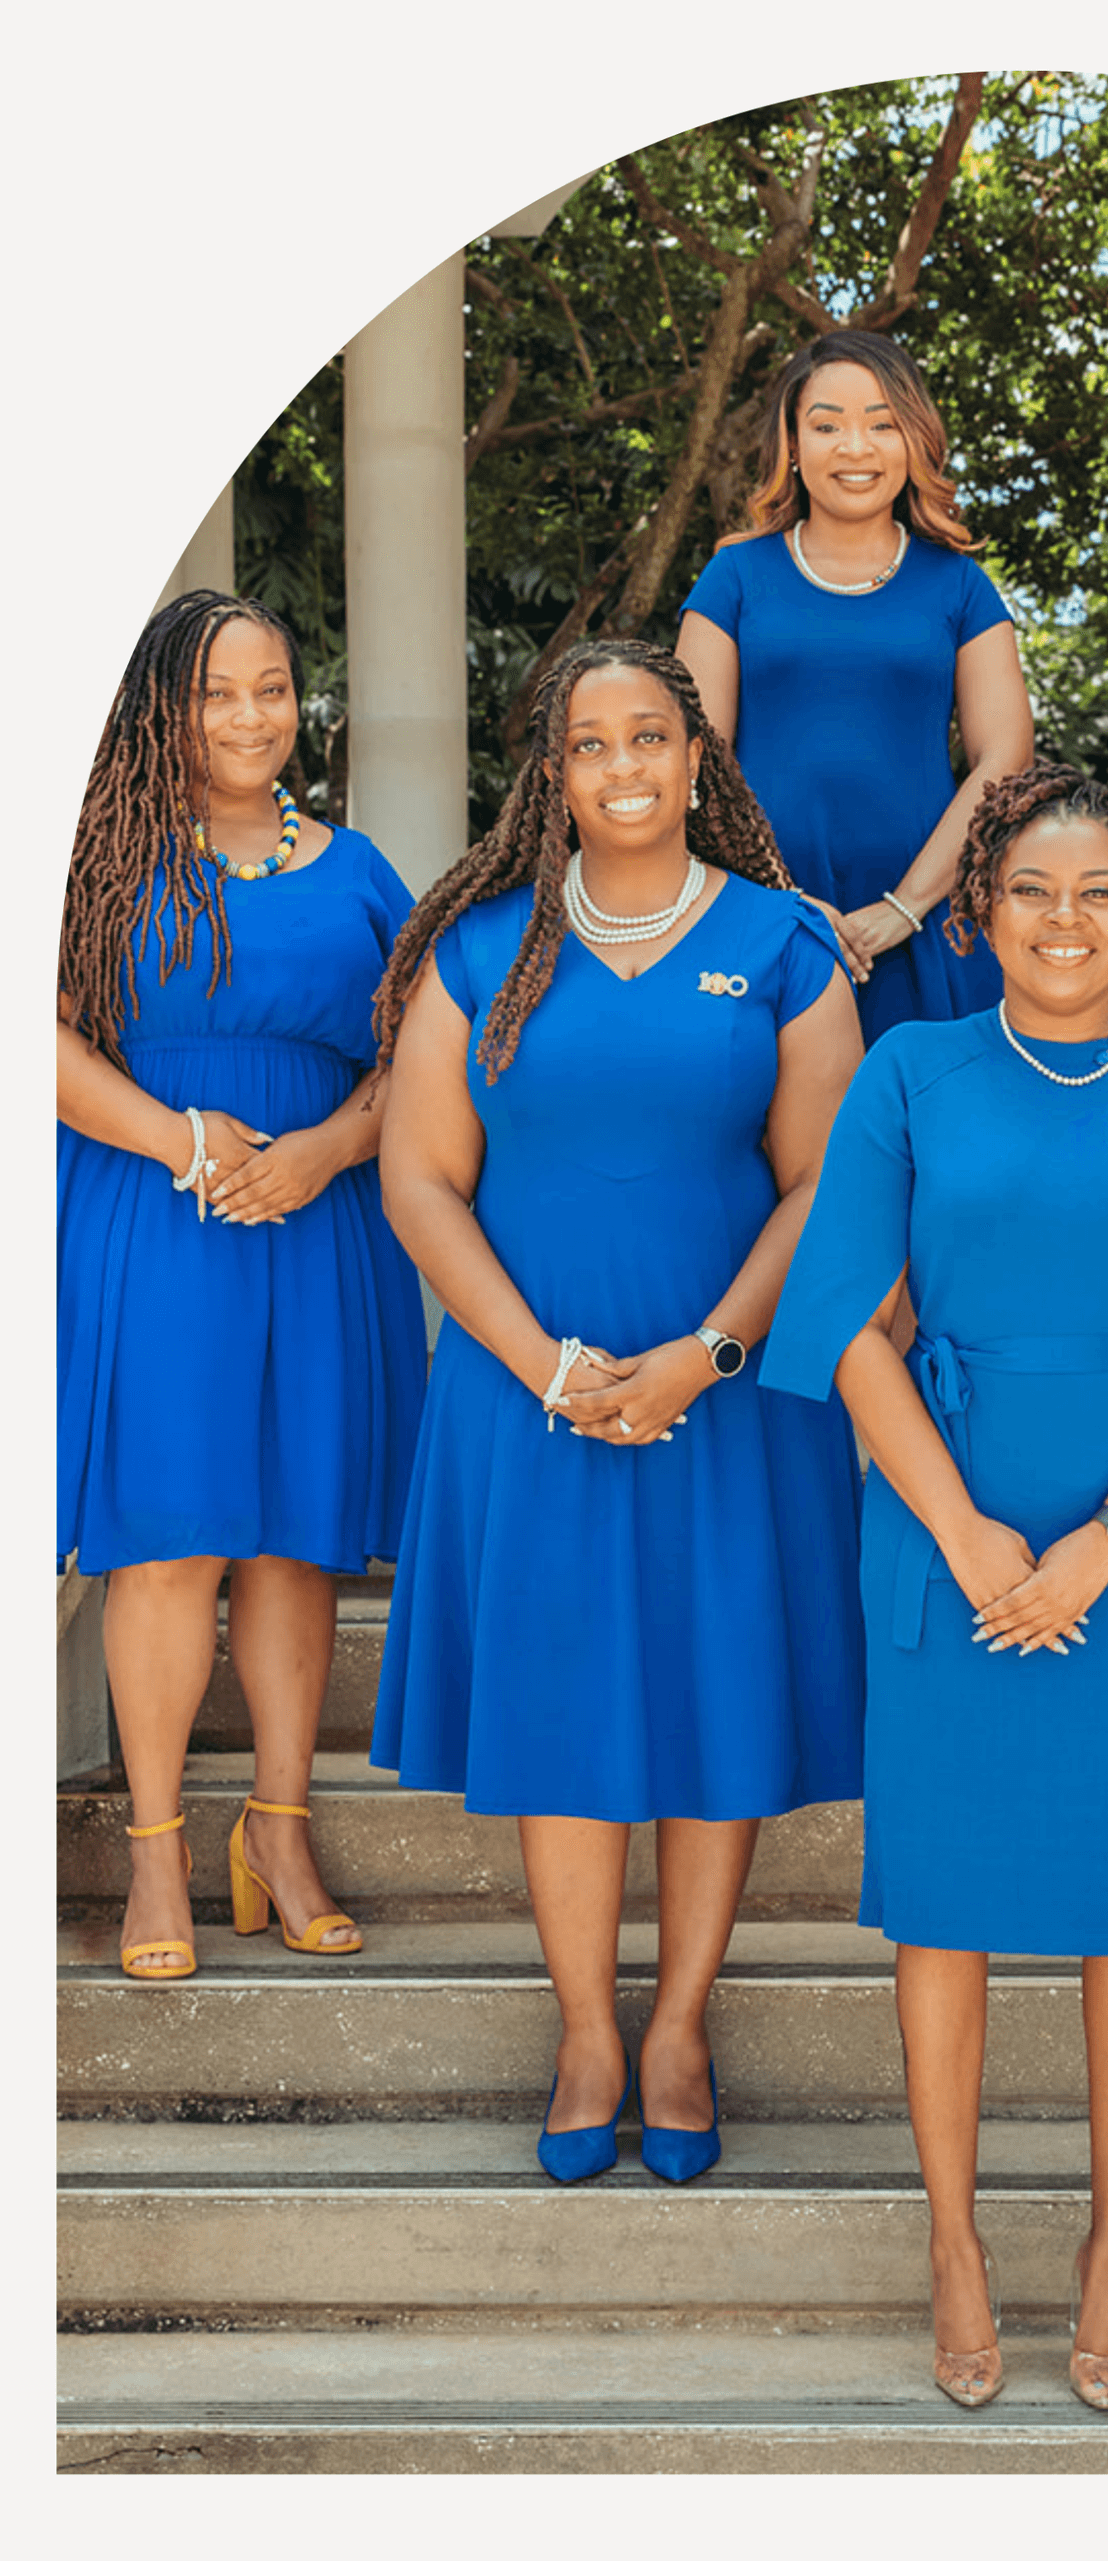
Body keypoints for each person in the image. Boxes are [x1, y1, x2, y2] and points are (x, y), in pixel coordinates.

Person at [760, 764, 1108, 2408]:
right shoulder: (910, 1072)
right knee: (943, 1912)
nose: (1065, 925)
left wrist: (1101, 1543)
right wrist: (968, 1534)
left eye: (1101, 897)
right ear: (979, 913)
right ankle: (951, 2239)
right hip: (941, 1526)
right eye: (1032, 896)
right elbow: (849, 1328)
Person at [367, 640, 865, 2185]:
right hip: (531, 1403)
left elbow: (823, 1186)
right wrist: (553, 1368)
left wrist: (705, 1352)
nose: (625, 764)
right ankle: (588, 2024)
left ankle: (679, 2026)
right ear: (553, 773)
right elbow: (421, 1182)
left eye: (652, 734)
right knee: (568, 1710)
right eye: (591, 743)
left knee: (721, 1704)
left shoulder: (785, 943)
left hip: (730, 1397)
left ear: (698, 755)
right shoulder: (477, 949)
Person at [58, 589, 427, 1980]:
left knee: (295, 1537)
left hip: (319, 1219)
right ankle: (154, 1854)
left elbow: (423, 1050)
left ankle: (279, 1829)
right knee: (168, 1537)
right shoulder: (97, 861)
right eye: (220, 693)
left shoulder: (357, 869)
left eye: (273, 689)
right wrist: (189, 1140)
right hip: (157, 1214)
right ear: (164, 706)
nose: (252, 717)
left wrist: (331, 1146)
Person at [677, 328, 1033, 1039]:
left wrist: (902, 908)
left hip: (928, 925)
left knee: (927, 1141)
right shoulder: (734, 578)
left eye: (881, 424)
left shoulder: (959, 584)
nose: (855, 447)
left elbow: (1005, 757)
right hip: (757, 914)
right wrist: (786, 899)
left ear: (914, 440)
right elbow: (691, 759)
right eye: (827, 425)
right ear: (792, 444)